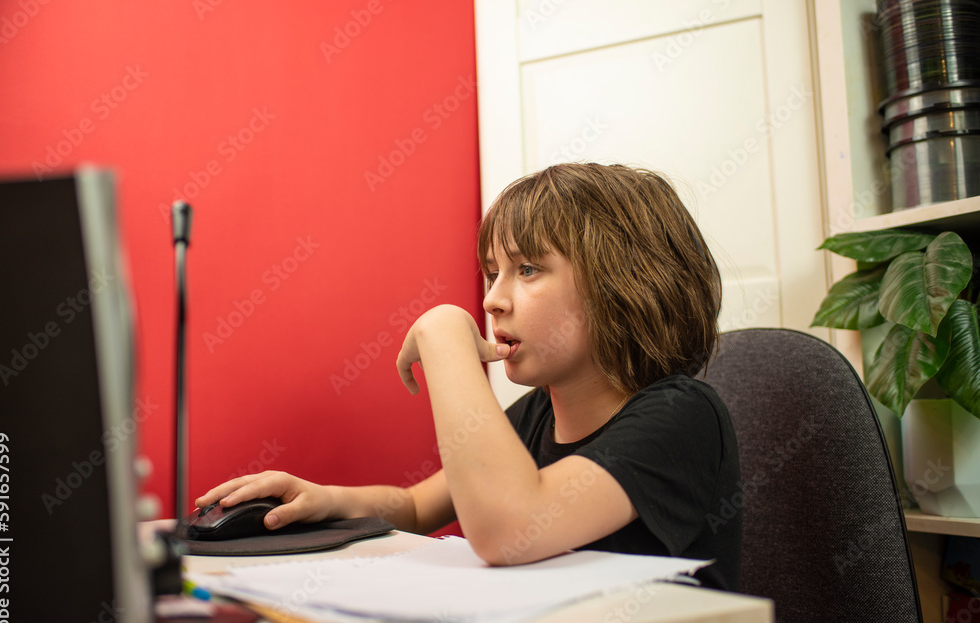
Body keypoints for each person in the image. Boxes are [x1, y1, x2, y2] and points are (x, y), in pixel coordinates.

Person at [196, 163, 741, 591]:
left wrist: (444, 333)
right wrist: (328, 500)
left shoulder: (682, 416)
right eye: (491, 273)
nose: (491, 300)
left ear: (623, 284)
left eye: (527, 269)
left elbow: (508, 529)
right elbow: (415, 507)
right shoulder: (538, 416)